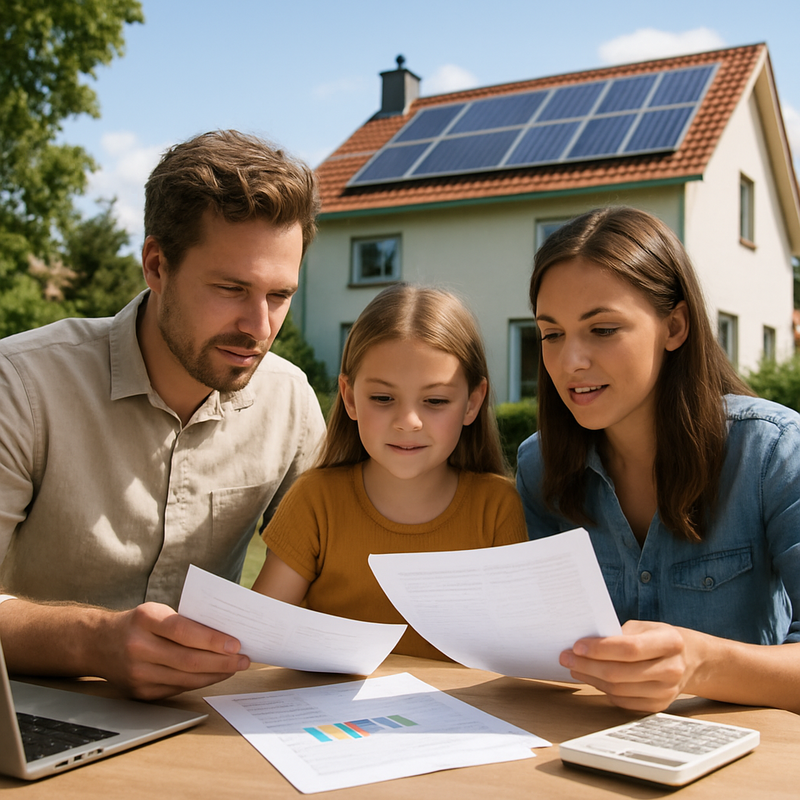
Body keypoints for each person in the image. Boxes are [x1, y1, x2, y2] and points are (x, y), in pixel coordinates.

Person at [0, 130, 327, 699]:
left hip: (205, 728)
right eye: (231, 288)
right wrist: (93, 642)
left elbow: (334, 573)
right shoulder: (22, 385)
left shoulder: (291, 401)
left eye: (279, 295)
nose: (260, 327)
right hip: (34, 713)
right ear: (156, 264)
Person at [516, 206, 800, 714]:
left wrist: (699, 663)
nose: (569, 361)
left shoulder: (772, 451)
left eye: (601, 329)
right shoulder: (539, 468)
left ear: (674, 326)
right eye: (551, 334)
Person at [252, 283, 527, 658]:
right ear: (349, 397)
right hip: (332, 716)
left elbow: (522, 653)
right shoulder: (315, 500)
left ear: (472, 402)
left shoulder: (498, 508)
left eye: (435, 400)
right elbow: (255, 641)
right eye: (382, 398)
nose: (408, 421)